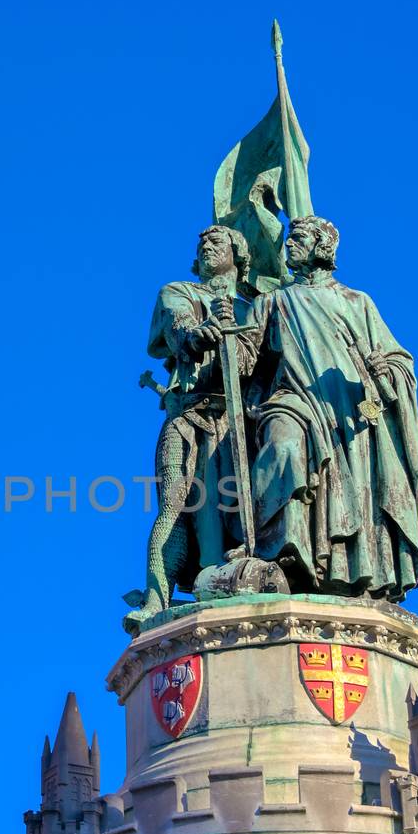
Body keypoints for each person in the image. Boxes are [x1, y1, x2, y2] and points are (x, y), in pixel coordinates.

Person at [245, 216, 418, 599]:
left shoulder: (358, 302)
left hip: (348, 411)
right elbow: (247, 361)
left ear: (322, 248)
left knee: (352, 493)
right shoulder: (272, 302)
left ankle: (345, 566)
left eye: (298, 238)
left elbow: (399, 360)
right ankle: (281, 547)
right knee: (284, 446)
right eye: (288, 239)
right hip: (292, 400)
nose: (289, 245)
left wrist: (387, 370)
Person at [124, 225, 257, 633]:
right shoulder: (178, 291)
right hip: (187, 414)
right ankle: (155, 598)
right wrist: (199, 336)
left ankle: (230, 578)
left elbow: (253, 362)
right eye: (202, 244)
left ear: (239, 254)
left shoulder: (254, 308)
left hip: (239, 426)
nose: (207, 246)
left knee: (231, 510)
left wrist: (236, 343)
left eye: (218, 242)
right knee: (176, 505)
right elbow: (180, 330)